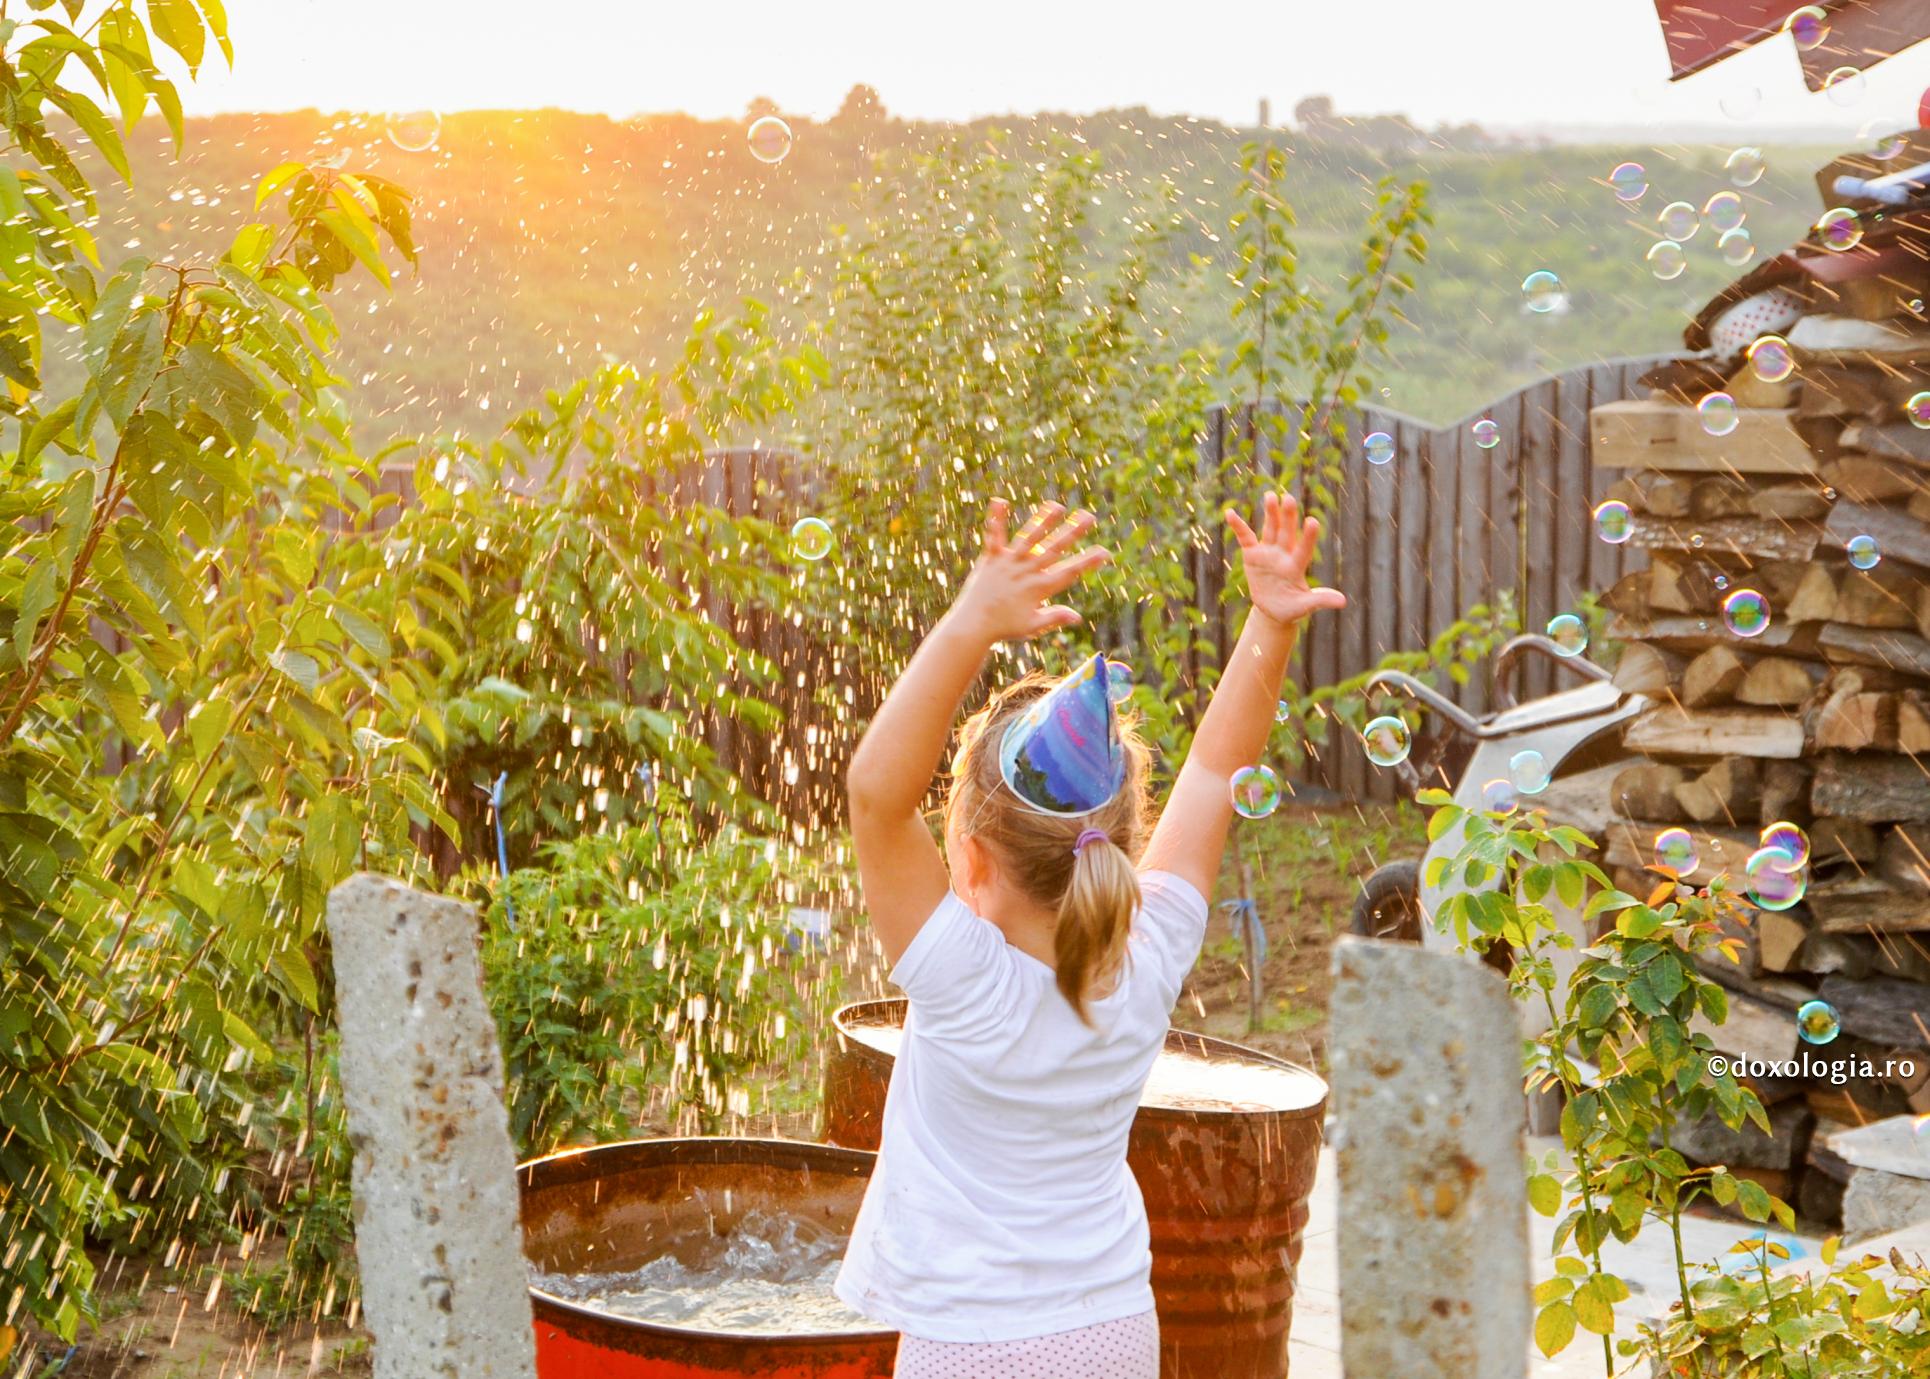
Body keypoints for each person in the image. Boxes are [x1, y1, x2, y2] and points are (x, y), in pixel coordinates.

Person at [836, 494, 1345, 1379]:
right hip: (1113, 1330)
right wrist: (1268, 619)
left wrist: (972, 620)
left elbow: (877, 792)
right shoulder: (1143, 960)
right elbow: (1218, 766)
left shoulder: (965, 984)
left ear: (972, 860)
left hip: (970, 1348)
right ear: (1119, 837)